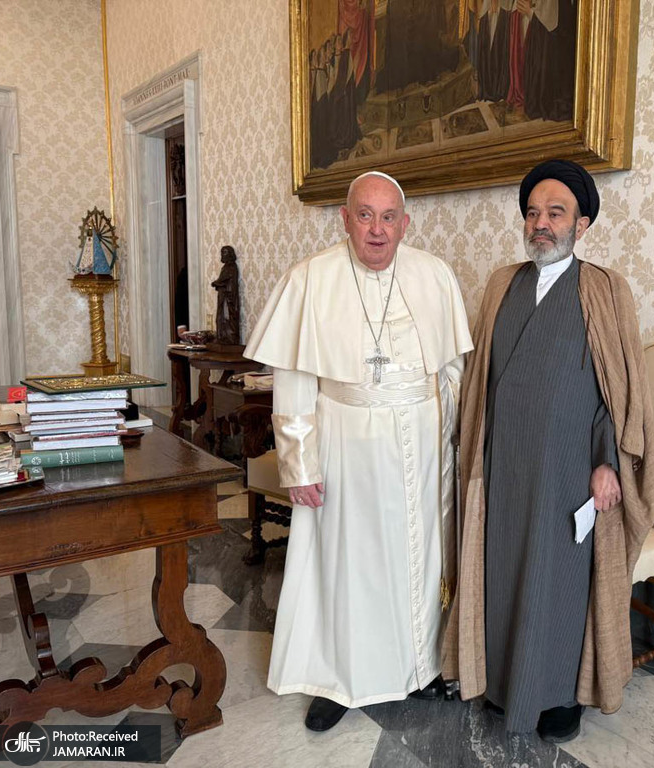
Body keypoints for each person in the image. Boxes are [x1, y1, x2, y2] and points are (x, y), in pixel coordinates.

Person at [245, 171, 473, 731]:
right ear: (345, 219)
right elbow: (294, 381)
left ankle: (420, 666)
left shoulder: (434, 274)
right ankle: (339, 680)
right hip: (344, 443)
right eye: (365, 216)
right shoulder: (310, 279)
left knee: (419, 558)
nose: (377, 229)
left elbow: (453, 372)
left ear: (405, 224)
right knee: (347, 564)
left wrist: (454, 448)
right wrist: (299, 463)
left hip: (421, 447)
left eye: (388, 217)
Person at [442, 159, 654, 743]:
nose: (541, 223)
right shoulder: (501, 283)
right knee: (502, 572)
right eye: (533, 213)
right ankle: (502, 684)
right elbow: (480, 378)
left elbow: (620, 389)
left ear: (581, 224)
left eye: (555, 213)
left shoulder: (606, 289)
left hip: (568, 467)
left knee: (558, 580)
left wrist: (608, 462)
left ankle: (560, 695)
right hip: (502, 464)